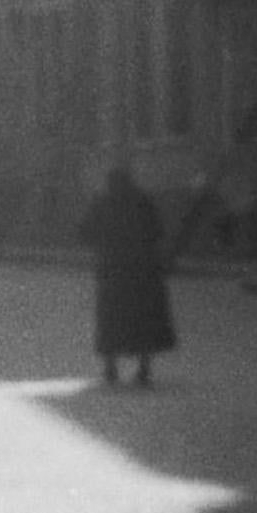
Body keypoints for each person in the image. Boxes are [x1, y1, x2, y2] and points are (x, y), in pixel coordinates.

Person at [85, 154, 177, 390]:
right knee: (143, 319)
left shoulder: (103, 203)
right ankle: (144, 367)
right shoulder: (142, 201)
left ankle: (111, 366)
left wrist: (104, 244)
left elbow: (85, 233)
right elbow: (157, 230)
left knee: (112, 319)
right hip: (142, 271)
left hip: (113, 271)